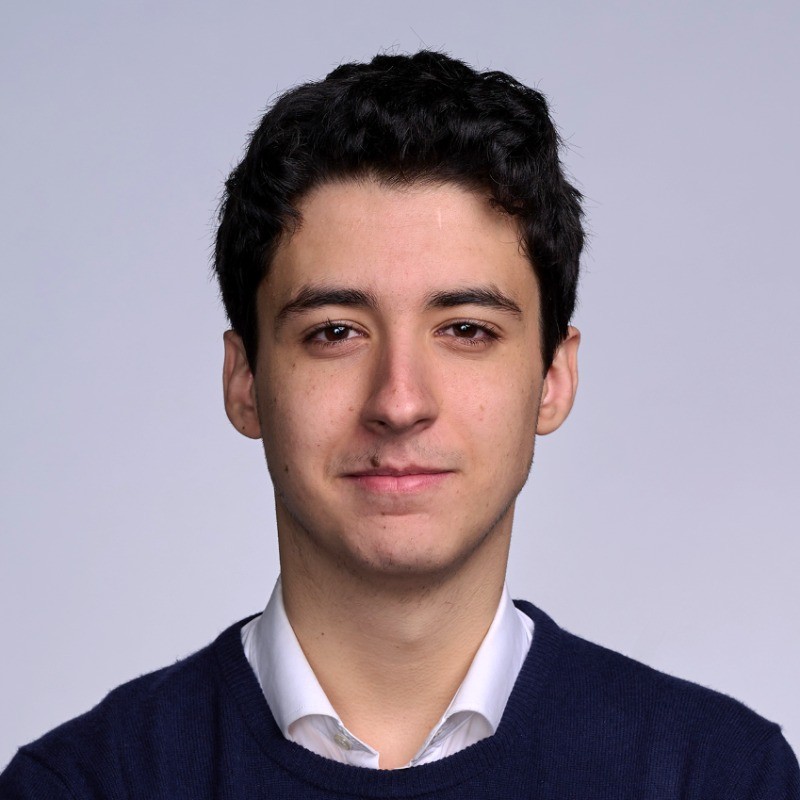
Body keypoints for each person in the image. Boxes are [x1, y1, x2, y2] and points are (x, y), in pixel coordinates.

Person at [1, 50, 797, 799]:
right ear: (244, 381)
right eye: (335, 332)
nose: (400, 401)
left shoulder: (719, 777)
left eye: (466, 330)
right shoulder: (82, 785)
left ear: (554, 378)